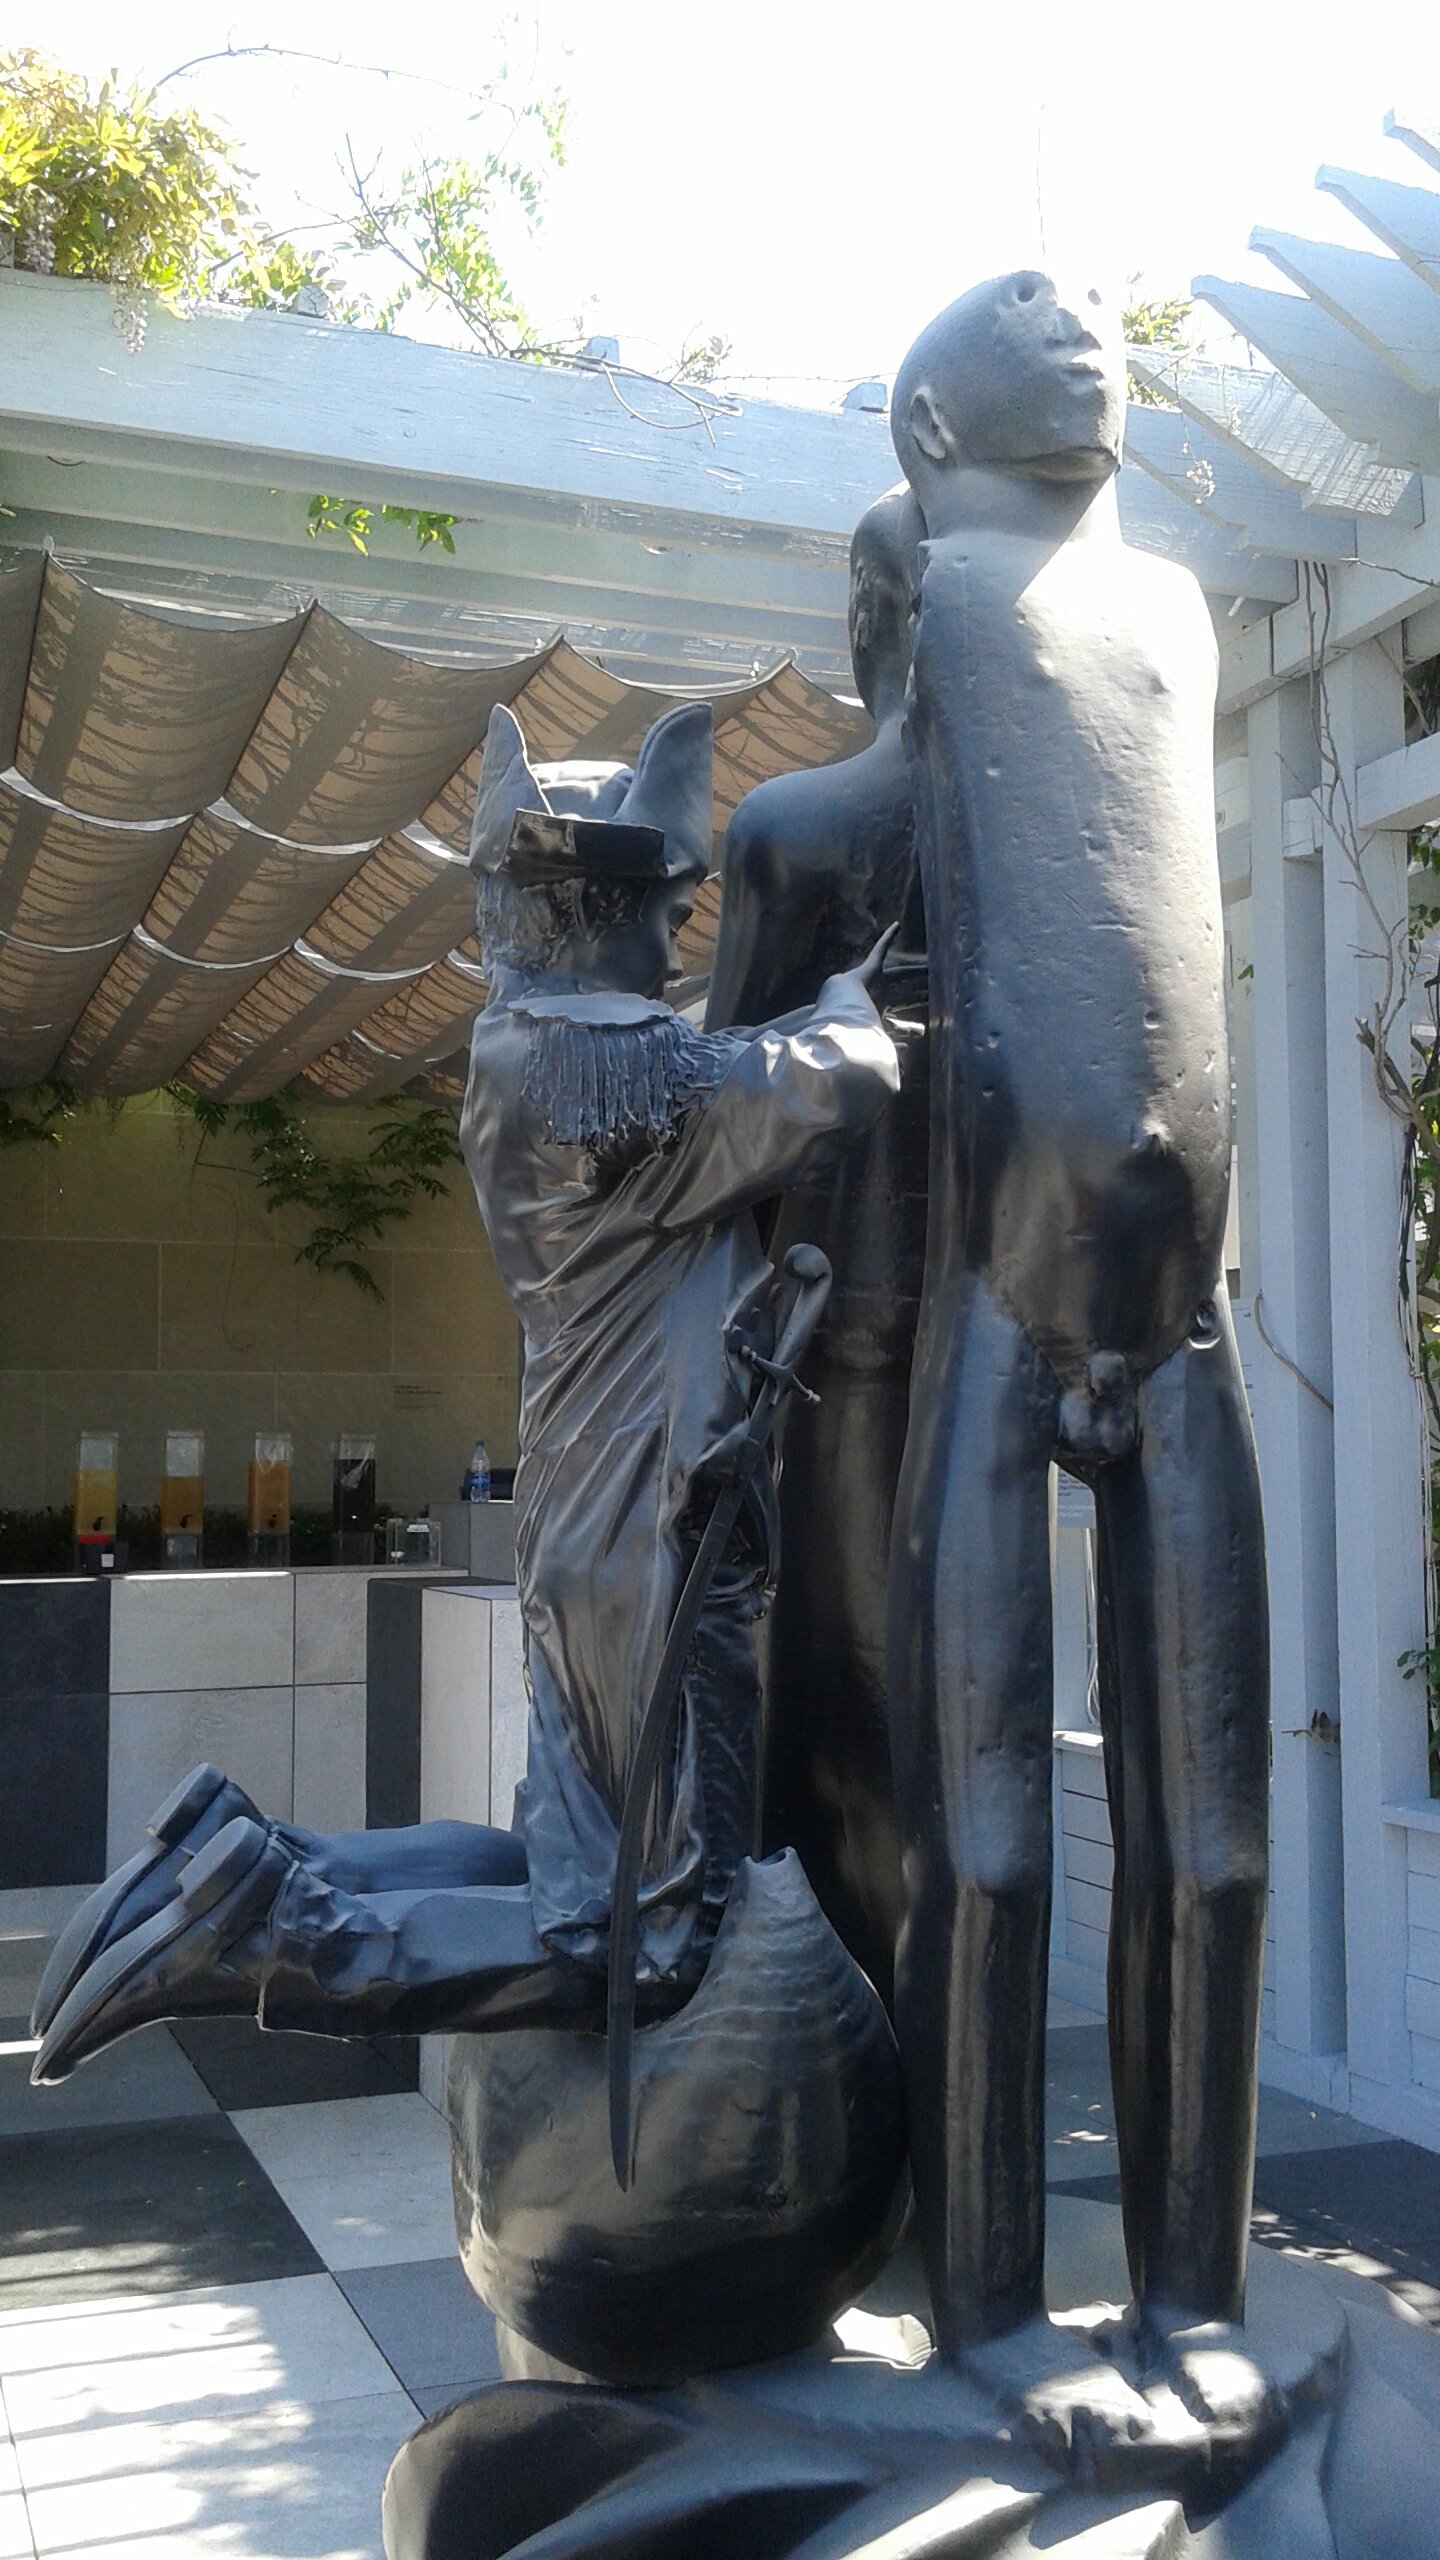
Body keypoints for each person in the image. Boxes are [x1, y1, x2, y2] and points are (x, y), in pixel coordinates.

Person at [33, 699, 900, 2083]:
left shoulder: (523, 1054)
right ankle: (270, 1932)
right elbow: (846, 1080)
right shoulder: (616, 1073)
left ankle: (242, 1856)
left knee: (556, 1869)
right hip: (659, 1540)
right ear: (619, 912)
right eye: (672, 915)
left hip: (587, 1531)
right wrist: (850, 993)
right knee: (649, 1940)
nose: (679, 943)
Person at [883, 269, 1271, 2445]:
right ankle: (992, 2306)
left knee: (1213, 1849)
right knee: (994, 1847)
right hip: (1000, 1299)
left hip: (1183, 1309)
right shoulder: (934, 585)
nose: (1075, 320)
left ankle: (1197, 2292)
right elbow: (880, 825)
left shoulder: (1184, 607)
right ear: (932, 427)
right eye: (1017, 328)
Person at [704, 484, 928, 1998]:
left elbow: (715, 1121)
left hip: (835, 1331)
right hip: (1004, 1327)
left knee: (834, 1704)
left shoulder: (797, 828)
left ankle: (827, 2058)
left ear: (869, 614)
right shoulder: (1054, 847)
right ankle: (946, 2072)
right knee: (956, 1707)